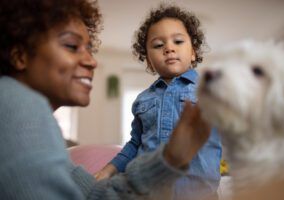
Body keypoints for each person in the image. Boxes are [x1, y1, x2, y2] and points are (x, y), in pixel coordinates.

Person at [0, 0, 212, 199]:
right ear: (20, 56)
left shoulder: (208, 91)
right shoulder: (16, 101)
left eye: (90, 49)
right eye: (72, 46)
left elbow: (97, 195)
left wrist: (169, 160)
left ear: (193, 52)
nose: (92, 61)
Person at [96, 4, 222, 200]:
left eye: (178, 41)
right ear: (148, 61)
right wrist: (107, 171)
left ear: (193, 53)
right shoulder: (142, 100)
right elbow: (134, 145)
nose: (169, 48)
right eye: (158, 45)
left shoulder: (211, 92)